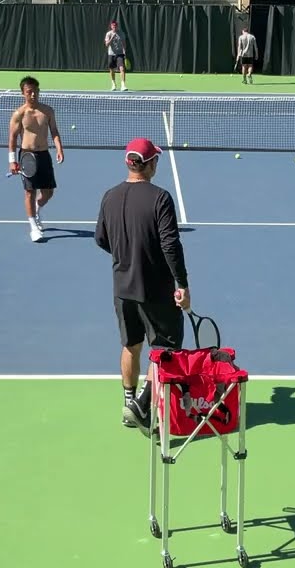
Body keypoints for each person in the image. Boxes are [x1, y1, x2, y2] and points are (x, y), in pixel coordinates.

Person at [94, 137, 191, 435]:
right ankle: (142, 405)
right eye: (156, 160)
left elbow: (101, 239)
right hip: (155, 290)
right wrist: (182, 284)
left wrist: (126, 256)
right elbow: (170, 245)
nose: (157, 164)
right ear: (148, 164)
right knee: (164, 350)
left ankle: (128, 405)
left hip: (122, 287)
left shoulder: (109, 196)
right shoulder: (160, 198)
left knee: (130, 345)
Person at [7, 76, 64, 242]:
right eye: (29, 92)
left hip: (44, 155)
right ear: (23, 93)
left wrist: (59, 148)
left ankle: (37, 209)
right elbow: (12, 138)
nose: (33, 95)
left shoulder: (47, 111)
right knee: (29, 192)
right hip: (27, 156)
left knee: (48, 192)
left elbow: (54, 131)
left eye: (35, 91)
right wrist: (12, 160)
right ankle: (33, 226)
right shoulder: (19, 114)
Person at [104, 20, 128, 91]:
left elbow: (124, 43)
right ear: (111, 26)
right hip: (111, 54)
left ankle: (123, 85)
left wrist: (124, 52)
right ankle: (113, 84)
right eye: (113, 26)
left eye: (116, 26)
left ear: (117, 26)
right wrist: (112, 37)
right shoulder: (108, 34)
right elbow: (107, 44)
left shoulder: (122, 33)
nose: (114, 27)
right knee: (111, 69)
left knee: (122, 69)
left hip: (120, 54)